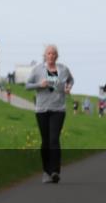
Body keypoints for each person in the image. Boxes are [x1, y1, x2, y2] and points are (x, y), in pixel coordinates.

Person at [26, 46, 73, 184]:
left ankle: (55, 171)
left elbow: (71, 80)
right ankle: (46, 171)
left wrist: (68, 87)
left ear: (57, 56)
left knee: (54, 139)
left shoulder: (63, 69)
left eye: (53, 53)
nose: (51, 56)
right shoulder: (38, 70)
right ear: (45, 55)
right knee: (45, 141)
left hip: (58, 109)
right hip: (42, 109)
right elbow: (27, 85)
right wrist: (40, 85)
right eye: (48, 53)